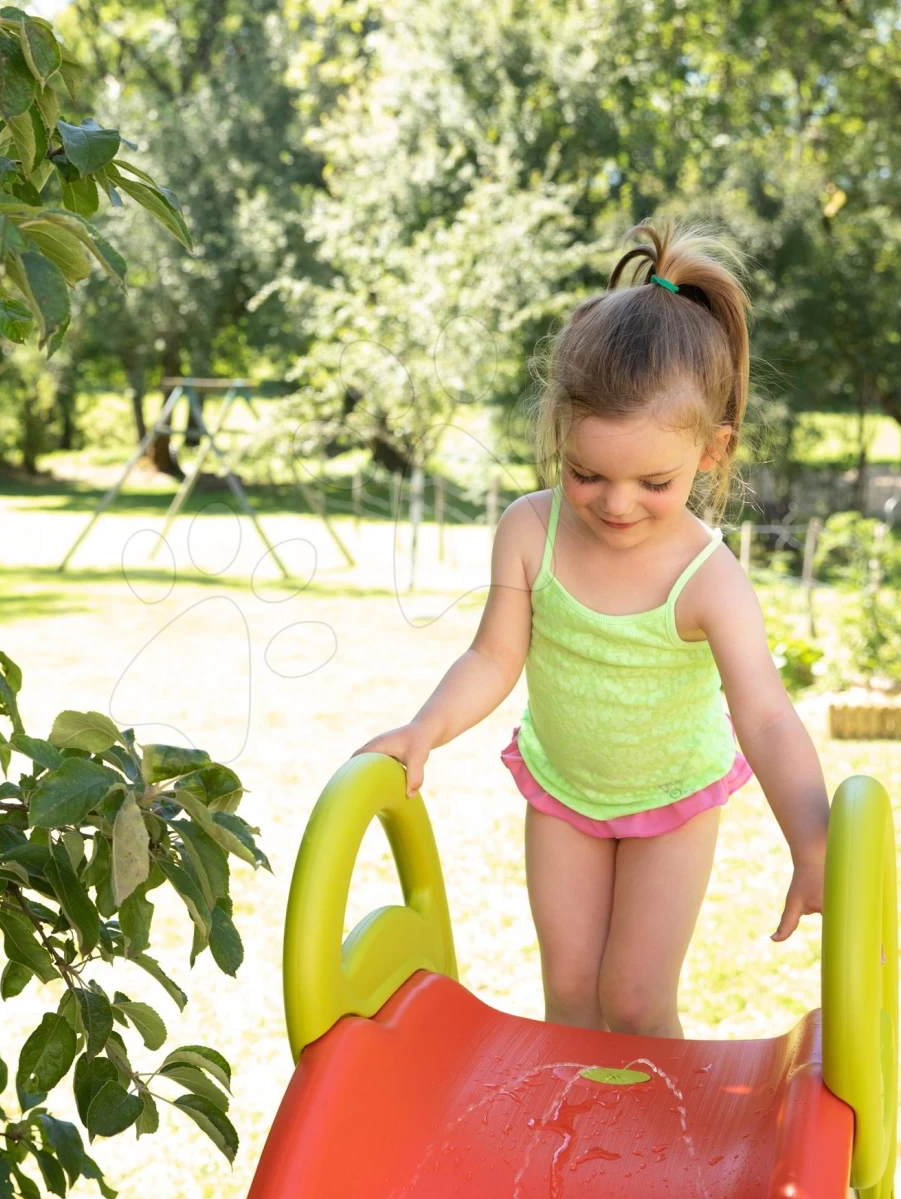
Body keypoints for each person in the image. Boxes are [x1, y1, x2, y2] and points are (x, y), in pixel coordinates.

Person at [356, 220, 830, 1039]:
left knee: (636, 1001)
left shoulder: (707, 578)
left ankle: (650, 1160)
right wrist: (426, 725)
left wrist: (814, 838)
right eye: (586, 474)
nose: (616, 504)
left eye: (654, 481)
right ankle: (582, 1158)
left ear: (713, 453)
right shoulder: (527, 531)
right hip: (564, 795)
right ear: (559, 435)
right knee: (571, 998)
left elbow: (764, 714)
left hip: (674, 800)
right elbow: (494, 655)